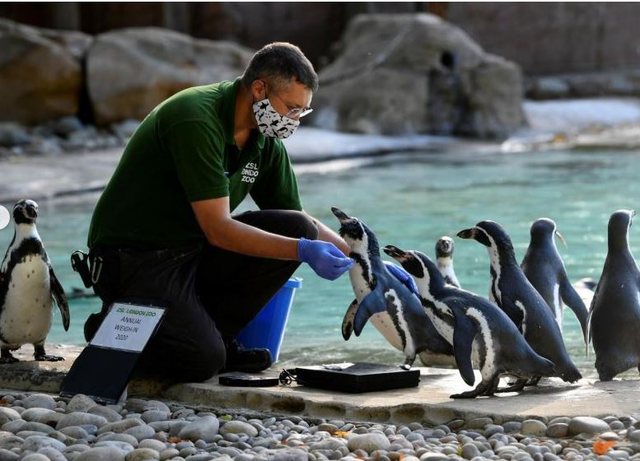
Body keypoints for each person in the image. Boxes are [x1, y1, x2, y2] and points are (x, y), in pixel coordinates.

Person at [83, 41, 415, 382]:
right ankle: (112, 330)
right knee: (200, 361)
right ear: (259, 89)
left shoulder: (264, 137)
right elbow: (218, 229)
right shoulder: (195, 119)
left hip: (190, 253)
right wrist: (301, 250)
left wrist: (368, 264)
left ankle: (214, 336)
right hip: (134, 258)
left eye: (302, 112)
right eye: (291, 108)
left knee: (295, 225)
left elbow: (298, 219)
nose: (294, 121)